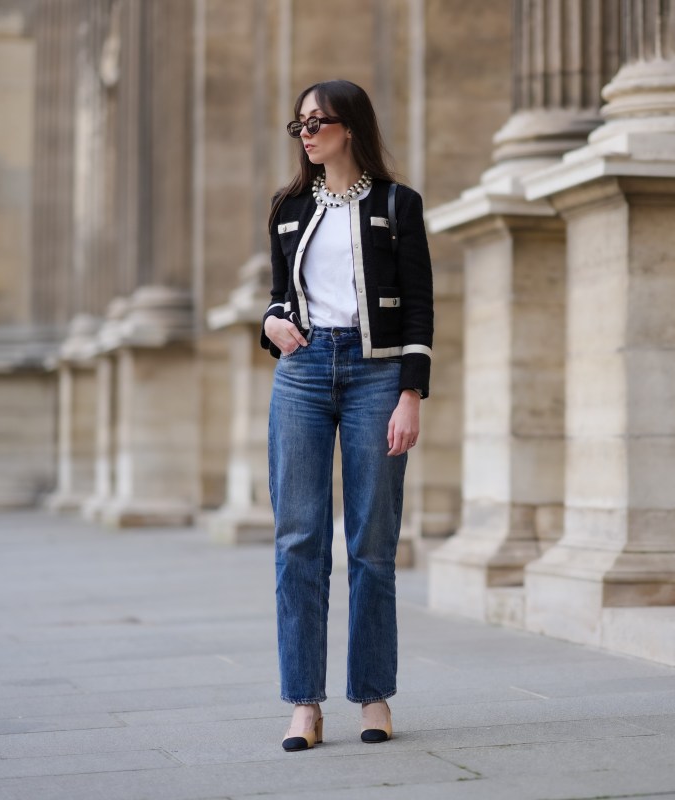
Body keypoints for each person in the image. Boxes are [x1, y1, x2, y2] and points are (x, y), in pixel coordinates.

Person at [260, 79, 433, 753]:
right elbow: (279, 298)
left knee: (371, 545)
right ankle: (304, 705)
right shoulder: (288, 207)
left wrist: (410, 394)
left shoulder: (397, 204)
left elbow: (418, 305)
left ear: (350, 127)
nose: (306, 134)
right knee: (299, 541)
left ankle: (373, 695)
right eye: (299, 124)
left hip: (376, 374)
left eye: (318, 122)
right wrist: (270, 323)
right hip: (301, 374)